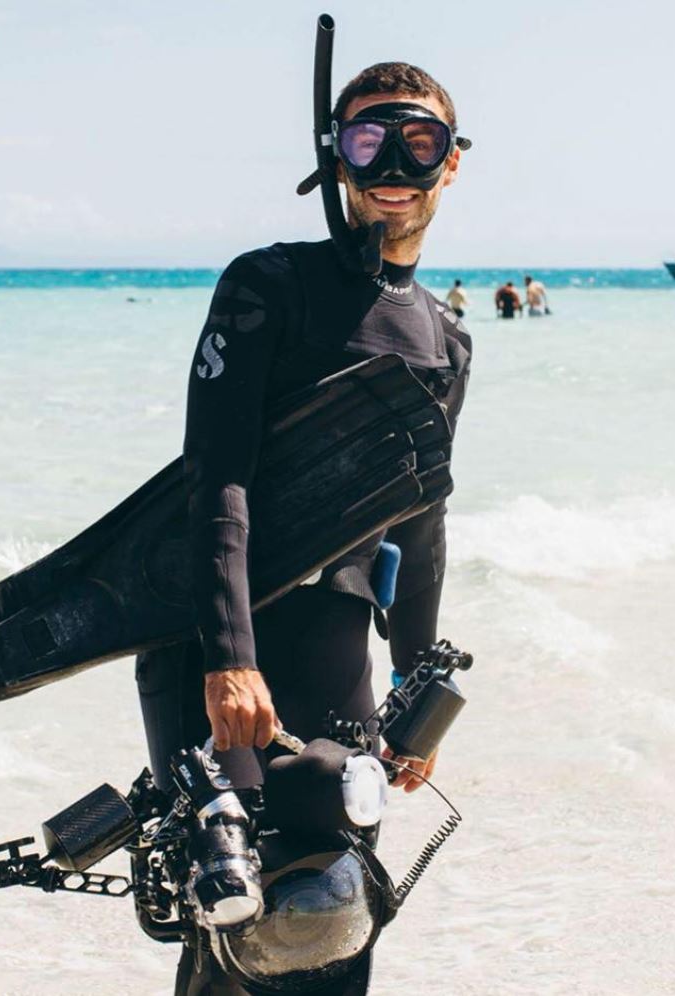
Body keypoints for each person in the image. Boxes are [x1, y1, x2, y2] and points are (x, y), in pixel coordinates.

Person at [135, 53, 472, 996]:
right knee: (240, 915)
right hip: (221, 642)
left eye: (419, 139)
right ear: (335, 159)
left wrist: (417, 684)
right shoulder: (269, 286)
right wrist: (229, 655)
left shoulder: (447, 337)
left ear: (453, 162)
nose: (395, 161)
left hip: (338, 647)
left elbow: (422, 519)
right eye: (369, 137)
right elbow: (218, 480)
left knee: (331, 918)